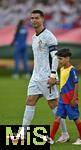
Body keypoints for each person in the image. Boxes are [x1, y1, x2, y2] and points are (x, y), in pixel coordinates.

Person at [10, 10, 69, 142]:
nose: (34, 20)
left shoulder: (49, 36)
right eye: (32, 18)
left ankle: (65, 133)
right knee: (30, 101)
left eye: (37, 18)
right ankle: (23, 134)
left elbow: (55, 57)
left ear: (42, 19)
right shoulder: (34, 37)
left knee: (53, 105)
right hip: (35, 77)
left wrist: (53, 75)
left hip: (48, 76)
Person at [46, 48, 81, 145]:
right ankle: (51, 138)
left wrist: (74, 99)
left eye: (60, 59)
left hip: (70, 100)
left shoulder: (72, 70)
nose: (59, 61)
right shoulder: (61, 69)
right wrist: (55, 82)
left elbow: (76, 84)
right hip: (62, 100)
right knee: (57, 117)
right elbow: (64, 83)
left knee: (75, 118)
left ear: (67, 58)